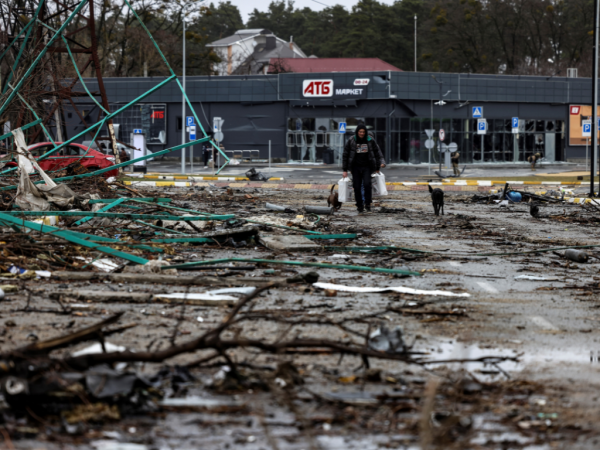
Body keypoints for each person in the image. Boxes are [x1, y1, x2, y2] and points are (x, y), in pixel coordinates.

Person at [342, 124, 385, 213]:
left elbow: (376, 154)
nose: (361, 133)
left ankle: (368, 204)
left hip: (367, 166)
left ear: (365, 132)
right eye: (360, 132)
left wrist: (377, 167)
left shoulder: (370, 140)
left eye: (363, 132)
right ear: (357, 132)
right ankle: (359, 205)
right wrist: (344, 170)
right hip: (355, 167)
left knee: (367, 185)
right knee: (357, 187)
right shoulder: (351, 140)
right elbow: (345, 155)